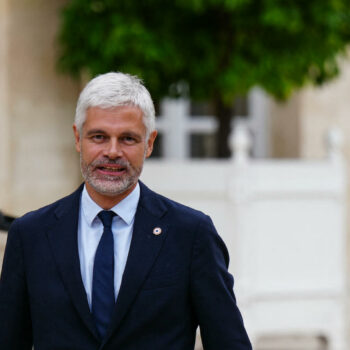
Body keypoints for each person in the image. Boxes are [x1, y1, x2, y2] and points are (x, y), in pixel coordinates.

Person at [0, 72, 252, 350]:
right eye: (98, 136)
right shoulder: (30, 235)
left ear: (150, 143)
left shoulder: (191, 234)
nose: (112, 151)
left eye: (128, 139)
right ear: (77, 138)